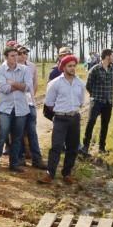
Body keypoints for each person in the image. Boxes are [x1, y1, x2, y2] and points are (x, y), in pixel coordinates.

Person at [39, 55, 85, 185]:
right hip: (60, 118)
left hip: (74, 118)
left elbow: (81, 102)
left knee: (73, 147)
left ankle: (67, 173)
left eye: (74, 66)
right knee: (57, 146)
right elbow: (49, 103)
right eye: (69, 66)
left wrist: (72, 110)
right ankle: (50, 173)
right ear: (63, 67)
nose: (72, 68)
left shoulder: (80, 83)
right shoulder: (55, 84)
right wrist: (60, 111)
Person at [0, 46, 31, 173]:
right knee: (2, 135)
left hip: (21, 108)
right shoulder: (1, 70)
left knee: (17, 137)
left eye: (16, 55)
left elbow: (28, 87)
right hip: (5, 108)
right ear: (6, 57)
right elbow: (4, 89)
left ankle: (14, 164)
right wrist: (19, 85)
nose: (15, 57)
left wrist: (12, 83)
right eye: (12, 55)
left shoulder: (24, 69)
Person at [80, 48, 113, 157]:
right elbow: (88, 85)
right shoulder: (95, 69)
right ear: (107, 56)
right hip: (96, 101)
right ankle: (85, 147)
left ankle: (102, 147)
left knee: (105, 124)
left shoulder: (112, 70)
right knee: (91, 122)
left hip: (108, 102)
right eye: (112, 55)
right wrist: (94, 96)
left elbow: (112, 84)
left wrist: (107, 96)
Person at [17, 45, 45, 169]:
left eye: (25, 53)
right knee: (19, 132)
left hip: (30, 102)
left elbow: (35, 84)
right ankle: (20, 158)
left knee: (32, 131)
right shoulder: (13, 67)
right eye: (21, 53)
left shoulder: (32, 66)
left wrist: (31, 97)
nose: (23, 55)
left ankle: (37, 159)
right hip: (17, 103)